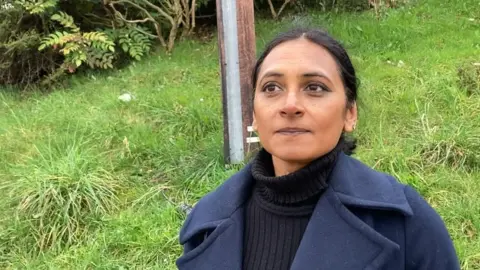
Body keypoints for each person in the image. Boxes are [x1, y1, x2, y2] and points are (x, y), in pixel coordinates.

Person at [176, 28, 460, 270]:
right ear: (253, 115)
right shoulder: (206, 222)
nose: (289, 105)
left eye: (314, 87)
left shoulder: (405, 223)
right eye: (271, 88)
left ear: (350, 113)